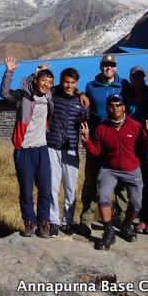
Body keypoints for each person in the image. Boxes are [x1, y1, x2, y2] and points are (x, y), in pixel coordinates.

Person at [80, 94, 148, 250]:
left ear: (124, 107)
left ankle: (126, 226)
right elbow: (96, 152)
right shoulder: (101, 128)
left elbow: (144, 149)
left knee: (136, 202)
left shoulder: (135, 126)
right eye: (111, 106)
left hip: (132, 170)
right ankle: (108, 232)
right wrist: (87, 141)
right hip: (109, 170)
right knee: (102, 196)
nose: (115, 109)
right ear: (107, 108)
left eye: (118, 105)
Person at [0, 56, 55, 239]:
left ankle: (43, 224)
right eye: (43, 80)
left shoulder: (48, 97)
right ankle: (29, 223)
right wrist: (9, 72)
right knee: (26, 190)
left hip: (42, 148)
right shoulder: (23, 97)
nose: (46, 84)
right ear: (36, 80)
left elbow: (68, 88)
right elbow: (4, 93)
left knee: (46, 189)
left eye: (49, 82)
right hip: (24, 150)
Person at [77, 53, 131, 235]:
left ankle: (123, 219)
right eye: (106, 65)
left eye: (112, 65)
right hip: (96, 140)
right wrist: (80, 93)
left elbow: (131, 107)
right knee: (91, 180)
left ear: (116, 67)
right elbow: (85, 106)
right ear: (101, 67)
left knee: (121, 181)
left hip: (117, 141)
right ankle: (86, 219)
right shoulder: (91, 86)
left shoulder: (124, 85)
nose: (109, 68)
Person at [46, 67, 88, 237]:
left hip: (71, 148)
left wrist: (81, 94)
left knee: (70, 188)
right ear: (61, 81)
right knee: (52, 187)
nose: (69, 86)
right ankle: (54, 221)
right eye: (66, 82)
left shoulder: (82, 102)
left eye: (72, 83)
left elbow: (86, 119)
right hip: (52, 146)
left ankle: (67, 221)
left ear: (76, 83)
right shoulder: (53, 96)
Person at [123, 65, 148, 235]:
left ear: (145, 78)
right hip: (133, 145)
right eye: (134, 76)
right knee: (138, 183)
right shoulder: (127, 95)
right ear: (130, 78)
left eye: (140, 76)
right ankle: (142, 219)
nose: (137, 79)